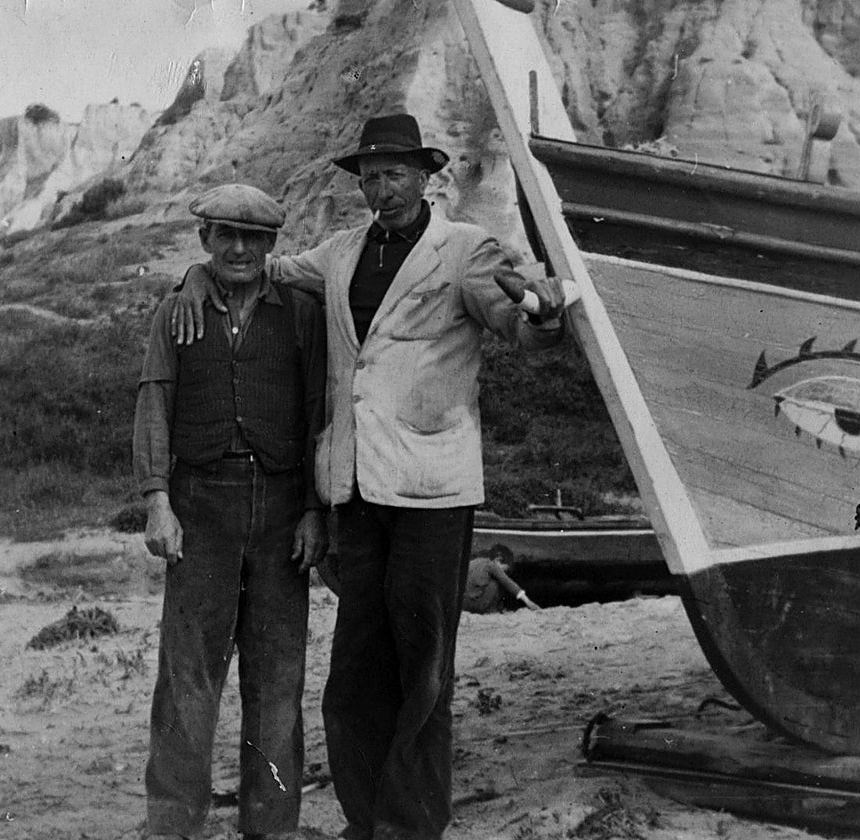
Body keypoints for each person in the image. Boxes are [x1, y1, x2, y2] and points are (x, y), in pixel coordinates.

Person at [171, 114, 567, 840]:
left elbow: (520, 327)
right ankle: (365, 819)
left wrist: (541, 315)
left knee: (423, 665)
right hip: (355, 490)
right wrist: (200, 273)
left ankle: (409, 826)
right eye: (371, 176)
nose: (382, 188)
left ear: (425, 178)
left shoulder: (465, 250)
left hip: (431, 489)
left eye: (396, 174)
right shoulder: (341, 252)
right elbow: (262, 267)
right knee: (355, 670)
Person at [132, 183, 328, 840]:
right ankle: (172, 822)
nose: (239, 248)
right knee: (187, 673)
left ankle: (271, 825)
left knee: (277, 678)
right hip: (200, 507)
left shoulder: (301, 313)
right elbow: (154, 402)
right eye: (225, 235)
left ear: (271, 245)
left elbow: (318, 415)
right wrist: (157, 502)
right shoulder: (175, 312)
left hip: (281, 511)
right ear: (205, 240)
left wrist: (314, 509)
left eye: (253, 238)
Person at [463, 547, 542, 613]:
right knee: (496, 583)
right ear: (498, 560)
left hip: (463, 604)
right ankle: (492, 610)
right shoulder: (492, 565)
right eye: (505, 570)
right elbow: (508, 582)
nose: (504, 572)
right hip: (475, 604)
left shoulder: (474, 562)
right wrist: (528, 602)